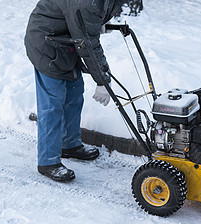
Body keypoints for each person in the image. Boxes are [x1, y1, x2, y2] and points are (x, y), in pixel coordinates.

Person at [24, 0, 127, 182]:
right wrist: (103, 80)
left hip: (66, 41)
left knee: (74, 94)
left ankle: (69, 144)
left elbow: (86, 23)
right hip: (46, 44)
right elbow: (88, 42)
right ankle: (47, 161)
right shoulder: (87, 2)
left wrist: (98, 24)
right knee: (53, 103)